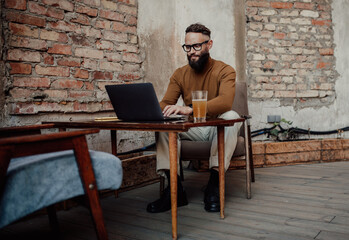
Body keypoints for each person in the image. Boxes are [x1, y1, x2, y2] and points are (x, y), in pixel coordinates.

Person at [146, 23, 242, 213]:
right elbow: (166, 103)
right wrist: (147, 108)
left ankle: (214, 184)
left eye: (197, 46)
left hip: (217, 127)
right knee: (163, 125)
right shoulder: (179, 74)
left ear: (209, 44)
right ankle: (174, 190)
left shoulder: (226, 70)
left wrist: (189, 109)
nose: (192, 52)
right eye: (188, 47)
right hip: (193, 130)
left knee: (232, 115)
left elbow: (224, 102)